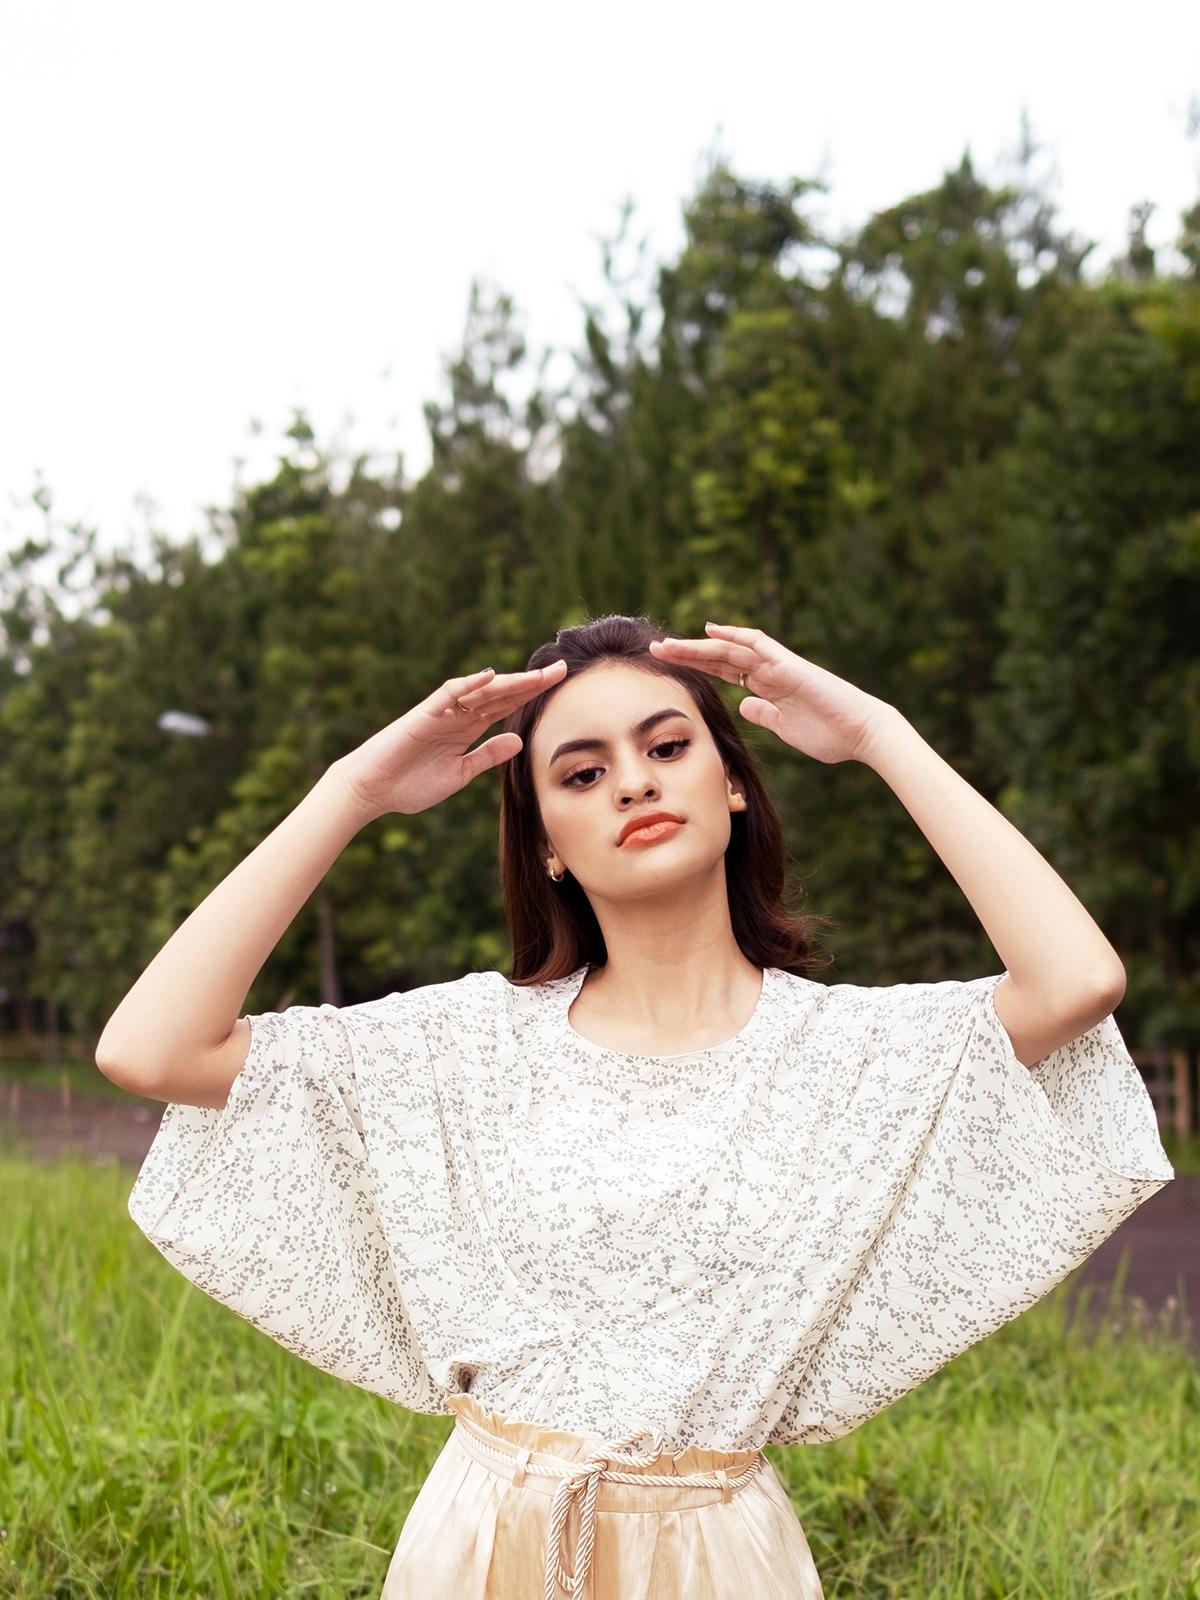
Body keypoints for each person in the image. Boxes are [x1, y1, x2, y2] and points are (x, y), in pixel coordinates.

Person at [99, 614, 1175, 1599]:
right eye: (583, 770)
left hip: (716, 1559)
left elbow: (1076, 982)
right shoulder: (463, 1046)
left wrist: (881, 736)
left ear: (733, 782)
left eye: (667, 747)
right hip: (479, 1551)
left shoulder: (849, 1054)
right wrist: (352, 790)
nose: (632, 784)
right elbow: (151, 1048)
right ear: (546, 843)